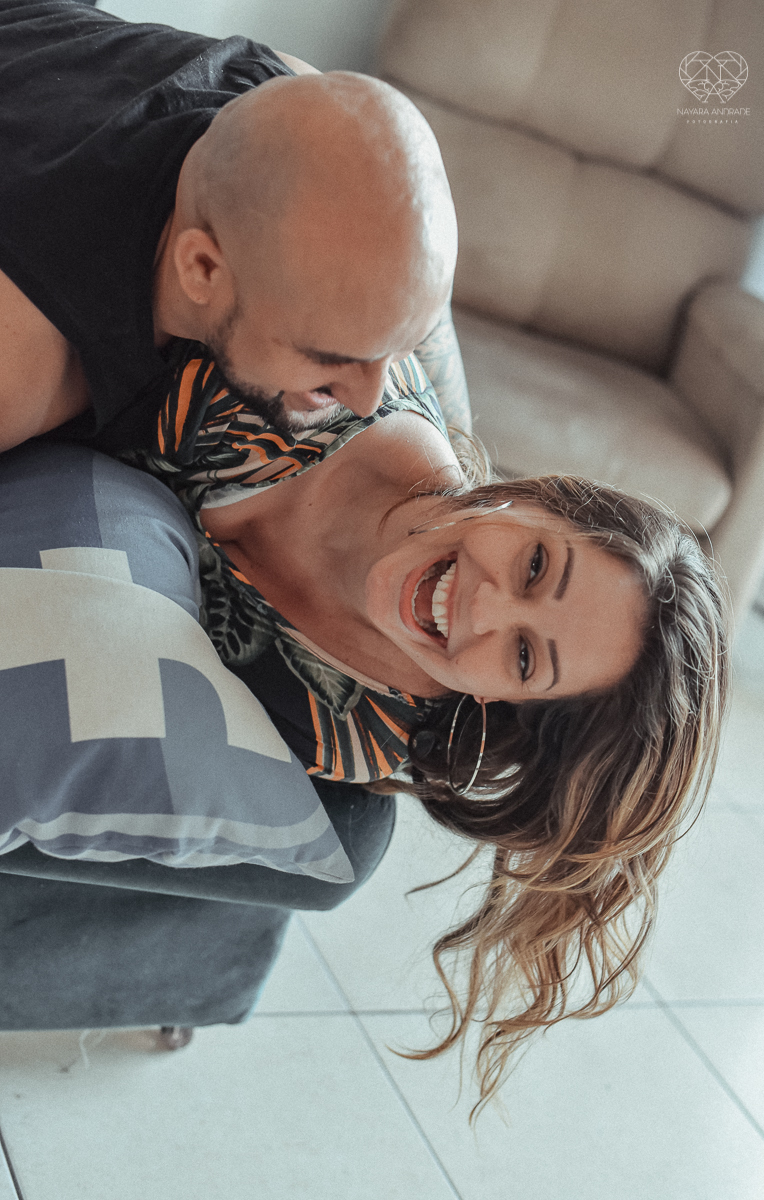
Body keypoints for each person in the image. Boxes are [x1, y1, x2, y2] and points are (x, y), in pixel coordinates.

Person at [129, 339, 731, 1113]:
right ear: (531, 499)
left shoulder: (357, 729)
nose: (483, 607)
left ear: (507, 705)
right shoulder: (332, 381)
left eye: (522, 656)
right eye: (535, 568)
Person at [0, 1, 470, 453]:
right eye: (328, 360)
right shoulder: (25, 359)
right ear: (202, 268)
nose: (370, 401)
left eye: (397, 346)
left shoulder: (287, 88)